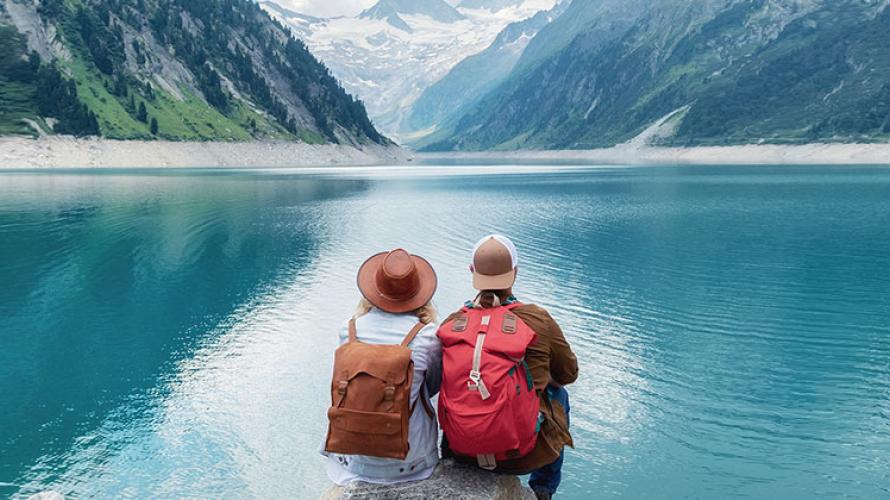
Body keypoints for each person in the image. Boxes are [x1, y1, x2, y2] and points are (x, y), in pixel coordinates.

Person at [439, 235, 578, 500]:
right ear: (515, 272)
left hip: (463, 451)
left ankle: (450, 464)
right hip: (521, 454)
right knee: (559, 394)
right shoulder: (538, 319)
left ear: (472, 272)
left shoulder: (453, 323)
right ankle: (543, 490)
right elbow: (568, 374)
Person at [322, 248, 442, 486]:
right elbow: (433, 386)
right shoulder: (428, 336)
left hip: (352, 461)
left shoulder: (349, 330)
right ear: (418, 293)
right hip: (412, 463)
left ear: (373, 291)